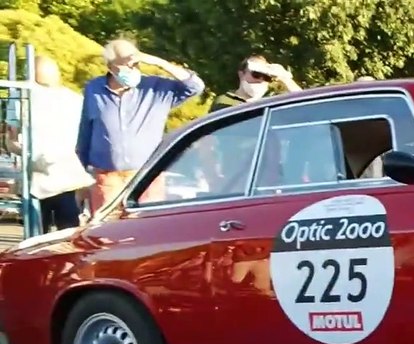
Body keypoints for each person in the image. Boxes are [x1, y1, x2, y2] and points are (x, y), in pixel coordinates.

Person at [76, 38, 204, 213]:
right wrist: (83, 173)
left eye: (135, 64)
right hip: (107, 177)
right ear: (111, 66)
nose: (132, 69)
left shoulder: (156, 88)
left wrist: (159, 62)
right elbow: (86, 130)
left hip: (146, 177)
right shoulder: (94, 88)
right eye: (126, 65)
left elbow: (195, 86)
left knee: (146, 228)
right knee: (106, 231)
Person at [14, 56, 93, 231]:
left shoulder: (24, 100)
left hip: (39, 179)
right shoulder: (76, 100)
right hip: (66, 178)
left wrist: (21, 153)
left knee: (36, 235)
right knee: (67, 235)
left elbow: (11, 141)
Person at [208, 55, 301, 113]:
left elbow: (303, 105)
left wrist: (285, 79)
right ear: (241, 74)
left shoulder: (272, 103)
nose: (261, 80)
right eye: (256, 74)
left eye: (266, 77)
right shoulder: (224, 101)